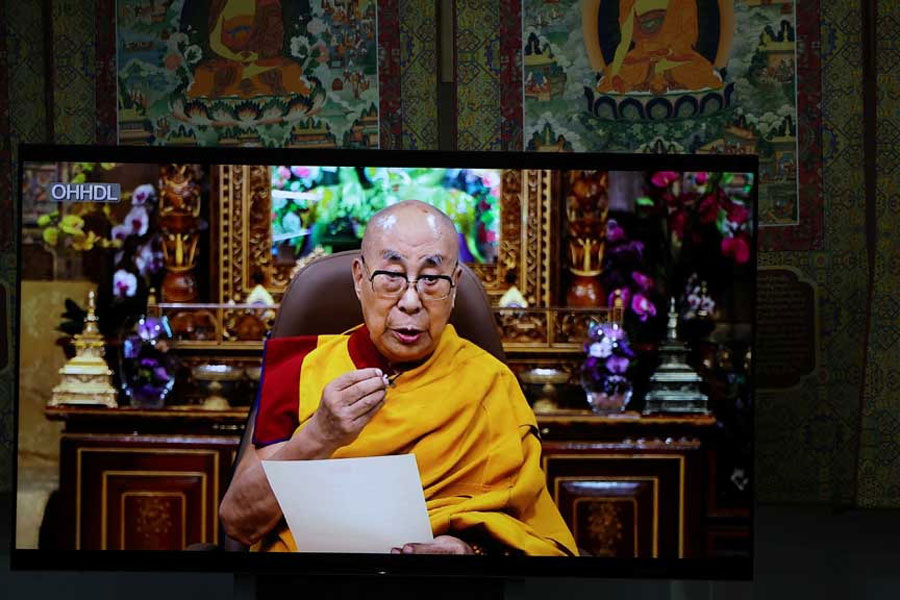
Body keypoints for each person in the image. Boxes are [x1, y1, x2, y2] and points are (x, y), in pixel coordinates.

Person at [220, 200, 577, 556]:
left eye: (431, 279)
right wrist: (318, 436)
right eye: (391, 276)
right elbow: (239, 521)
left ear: (453, 285)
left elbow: (538, 541)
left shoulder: (490, 383)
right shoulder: (302, 369)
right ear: (360, 279)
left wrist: (469, 551)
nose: (410, 300)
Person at [597, 0, 723, 95]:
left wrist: (668, 53)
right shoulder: (631, 2)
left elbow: (685, 40)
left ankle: (659, 78)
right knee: (620, 70)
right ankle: (654, 78)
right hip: (643, 57)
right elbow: (624, 44)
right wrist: (615, 75)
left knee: (698, 67)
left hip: (674, 58)